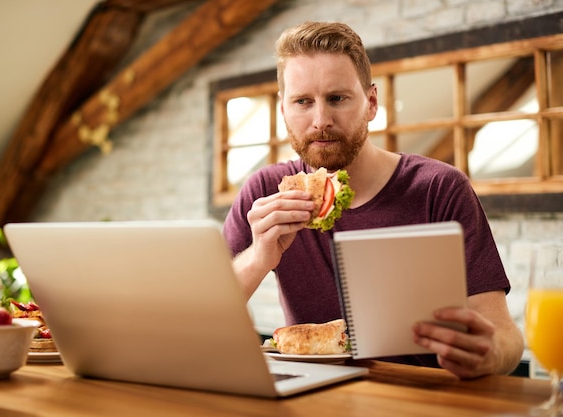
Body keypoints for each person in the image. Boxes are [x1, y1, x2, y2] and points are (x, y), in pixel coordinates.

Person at [222, 21, 524, 379]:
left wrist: (488, 356)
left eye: (337, 98)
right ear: (284, 110)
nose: (321, 120)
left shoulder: (440, 188)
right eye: (303, 101)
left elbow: (505, 336)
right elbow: (201, 315)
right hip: (313, 399)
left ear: (371, 103)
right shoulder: (265, 193)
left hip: (426, 397)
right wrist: (259, 256)